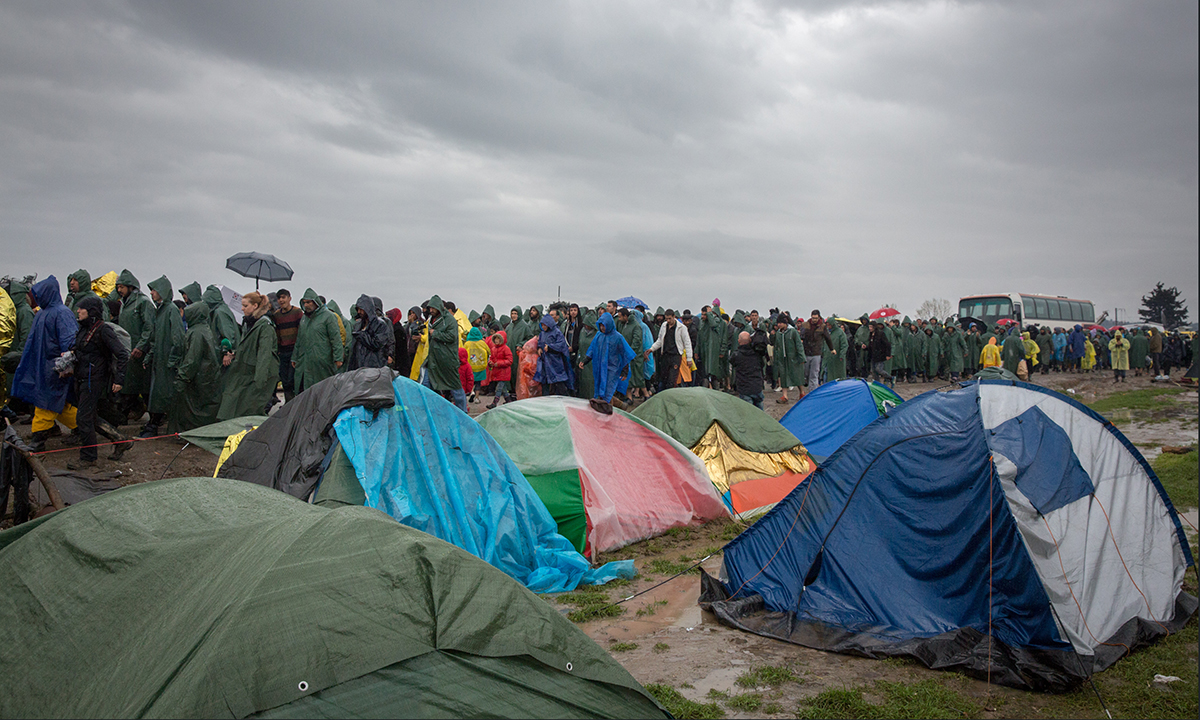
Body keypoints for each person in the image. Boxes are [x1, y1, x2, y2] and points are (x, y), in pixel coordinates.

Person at [12, 277, 80, 452]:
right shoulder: (43, 313)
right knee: (61, 406)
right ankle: (86, 428)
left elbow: (70, 341)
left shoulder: (61, 313)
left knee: (46, 404)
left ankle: (38, 441)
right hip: (44, 367)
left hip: (54, 368)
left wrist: (66, 365)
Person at [67, 296, 128, 467]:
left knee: (84, 418)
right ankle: (120, 440)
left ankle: (88, 457)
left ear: (91, 311)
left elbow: (122, 354)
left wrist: (119, 379)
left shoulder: (103, 330)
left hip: (93, 380)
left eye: (81, 308)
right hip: (81, 377)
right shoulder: (84, 329)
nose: (78, 311)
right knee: (90, 417)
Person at [218, 292, 279, 420]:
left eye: (245, 306)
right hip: (247, 371)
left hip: (259, 375)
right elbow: (249, 347)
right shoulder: (249, 323)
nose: (242, 309)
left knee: (251, 410)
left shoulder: (265, 326)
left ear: (255, 306)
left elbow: (264, 354)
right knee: (235, 406)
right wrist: (235, 353)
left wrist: (260, 382)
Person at [138, 276, 185, 438]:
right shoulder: (160, 310)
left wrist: (172, 360)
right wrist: (149, 356)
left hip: (167, 362)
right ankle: (153, 424)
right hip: (160, 360)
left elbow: (178, 338)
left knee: (162, 394)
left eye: (154, 290)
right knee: (156, 394)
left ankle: (154, 425)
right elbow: (155, 339)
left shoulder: (170, 310)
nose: (151, 293)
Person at [168, 301, 220, 433]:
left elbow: (192, 358)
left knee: (192, 409)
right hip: (205, 375)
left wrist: (182, 377)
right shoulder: (204, 329)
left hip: (197, 377)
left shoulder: (196, 332)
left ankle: (189, 433)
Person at [111, 270, 155, 422]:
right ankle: (130, 411)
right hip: (127, 350)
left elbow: (149, 327)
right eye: (118, 287)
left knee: (143, 384)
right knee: (128, 383)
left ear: (131, 286)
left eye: (122, 287)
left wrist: (142, 346)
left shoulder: (143, 302)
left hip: (140, 352)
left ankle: (155, 416)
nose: (119, 290)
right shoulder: (124, 303)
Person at [292, 289, 344, 394]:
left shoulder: (328, 317)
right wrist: (295, 357)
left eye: (309, 302)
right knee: (304, 390)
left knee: (323, 388)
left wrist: (338, 358)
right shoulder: (304, 319)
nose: (306, 305)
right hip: (305, 360)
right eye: (304, 302)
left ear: (316, 302)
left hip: (322, 359)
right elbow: (299, 340)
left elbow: (336, 338)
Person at [581, 312, 635, 409]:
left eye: (604, 326)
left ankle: (608, 411)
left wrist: (625, 370)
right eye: (601, 326)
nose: (602, 328)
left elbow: (625, 354)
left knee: (607, 391)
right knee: (601, 391)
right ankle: (621, 405)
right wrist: (585, 361)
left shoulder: (618, 337)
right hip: (600, 368)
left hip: (612, 369)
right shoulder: (599, 336)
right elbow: (592, 350)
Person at [426, 295, 467, 411]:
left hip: (447, 358)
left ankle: (463, 410)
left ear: (438, 307)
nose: (431, 310)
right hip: (434, 359)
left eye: (433, 308)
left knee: (454, 386)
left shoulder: (449, 320)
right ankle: (433, 409)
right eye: (430, 308)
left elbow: (452, 336)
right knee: (427, 384)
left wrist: (435, 333)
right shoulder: (431, 320)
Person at [648, 308, 694, 391]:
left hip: (675, 355)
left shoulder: (681, 328)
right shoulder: (664, 326)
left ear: (674, 317)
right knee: (663, 378)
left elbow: (687, 343)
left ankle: (670, 396)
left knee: (672, 379)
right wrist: (652, 349)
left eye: (670, 318)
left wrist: (689, 358)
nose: (668, 321)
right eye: (666, 319)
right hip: (665, 355)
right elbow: (660, 340)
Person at [271, 288, 303, 401]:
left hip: (294, 350)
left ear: (289, 298)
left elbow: (301, 331)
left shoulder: (297, 313)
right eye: (279, 298)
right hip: (282, 350)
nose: (281, 300)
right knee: (284, 379)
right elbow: (276, 333)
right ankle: (288, 403)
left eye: (283, 297)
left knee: (292, 379)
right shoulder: (277, 315)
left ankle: (295, 402)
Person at [345, 294, 392, 371]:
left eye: (361, 309)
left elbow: (377, 344)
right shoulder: (358, 325)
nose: (359, 312)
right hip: (358, 367)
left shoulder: (380, 325)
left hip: (374, 366)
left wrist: (362, 335)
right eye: (358, 309)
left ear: (368, 309)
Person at [533, 315, 573, 396]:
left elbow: (561, 345)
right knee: (545, 382)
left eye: (545, 325)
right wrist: (539, 348)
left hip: (555, 362)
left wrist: (550, 347)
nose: (543, 327)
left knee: (559, 382)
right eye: (542, 325)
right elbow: (540, 343)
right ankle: (546, 400)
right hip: (545, 361)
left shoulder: (557, 332)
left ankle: (564, 399)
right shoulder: (542, 333)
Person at [771, 314, 804, 403]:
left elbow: (798, 345)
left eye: (781, 323)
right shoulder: (778, 333)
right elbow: (776, 346)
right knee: (783, 376)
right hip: (782, 359)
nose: (779, 325)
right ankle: (784, 396)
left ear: (785, 323)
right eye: (778, 323)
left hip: (793, 358)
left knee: (796, 376)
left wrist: (801, 357)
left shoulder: (793, 331)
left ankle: (802, 392)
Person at [799, 310, 834, 392]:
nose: (814, 320)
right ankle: (807, 386)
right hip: (806, 352)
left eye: (816, 318)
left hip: (816, 352)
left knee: (814, 374)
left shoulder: (822, 326)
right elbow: (801, 337)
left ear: (819, 317)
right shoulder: (805, 325)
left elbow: (828, 338)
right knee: (805, 373)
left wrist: (832, 349)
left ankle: (812, 391)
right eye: (813, 318)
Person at [731, 330, 768, 408]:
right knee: (760, 412)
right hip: (757, 386)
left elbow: (732, 362)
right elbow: (762, 364)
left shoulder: (737, 355)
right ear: (750, 340)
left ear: (738, 341)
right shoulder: (757, 354)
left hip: (744, 388)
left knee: (748, 413)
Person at [202, 285, 240, 359]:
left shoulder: (220, 312)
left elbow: (228, 334)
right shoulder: (222, 309)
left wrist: (226, 353)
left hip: (226, 357)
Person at [484, 330, 513, 408]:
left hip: (504, 372)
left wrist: (498, 363)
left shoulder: (506, 349)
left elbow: (510, 360)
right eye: (495, 339)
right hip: (497, 372)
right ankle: (508, 400)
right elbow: (492, 358)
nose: (496, 340)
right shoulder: (493, 349)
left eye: (498, 339)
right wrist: (490, 362)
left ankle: (494, 403)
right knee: (503, 389)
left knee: (499, 388)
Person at [464, 327, 490, 402]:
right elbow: (488, 351)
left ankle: (471, 392)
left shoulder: (467, 344)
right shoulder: (482, 343)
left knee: (471, 381)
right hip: (480, 366)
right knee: (478, 383)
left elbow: (463, 353)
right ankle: (477, 398)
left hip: (470, 366)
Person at [867, 322, 894, 387]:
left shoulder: (880, 334)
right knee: (874, 371)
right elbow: (871, 345)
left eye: (871, 327)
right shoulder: (870, 335)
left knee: (879, 369)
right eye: (869, 327)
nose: (869, 328)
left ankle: (890, 377)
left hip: (880, 355)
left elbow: (887, 344)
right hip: (873, 355)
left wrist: (888, 354)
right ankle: (877, 384)